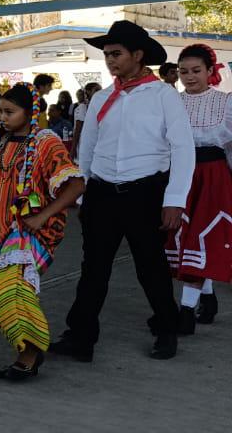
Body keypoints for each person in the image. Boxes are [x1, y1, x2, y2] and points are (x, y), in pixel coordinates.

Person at [51, 21, 194, 362]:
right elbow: (87, 148)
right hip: (102, 191)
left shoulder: (163, 96)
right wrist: (83, 192)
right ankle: (81, 337)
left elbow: (183, 148)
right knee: (93, 268)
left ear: (138, 55)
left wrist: (175, 200)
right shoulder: (102, 98)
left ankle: (166, 329)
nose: (110, 60)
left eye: (116, 53)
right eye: (107, 54)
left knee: (151, 265)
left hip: (145, 192)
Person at [0, 84, 84, 381]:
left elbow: (76, 184)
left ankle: (30, 353)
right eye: (1, 112)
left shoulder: (46, 141)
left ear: (29, 112)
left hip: (30, 232)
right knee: (15, 293)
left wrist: (42, 216)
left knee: (10, 293)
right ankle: (29, 353)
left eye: (10, 112)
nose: (3, 118)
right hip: (0, 231)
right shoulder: (0, 142)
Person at [167, 44, 232, 331]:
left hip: (214, 177)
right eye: (183, 72)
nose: (189, 77)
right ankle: (207, 297)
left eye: (196, 70)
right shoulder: (171, 102)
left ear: (209, 71)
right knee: (185, 239)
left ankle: (185, 312)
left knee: (201, 238)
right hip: (181, 175)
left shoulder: (226, 102)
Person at [70, 81, 101, 160]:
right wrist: (73, 149)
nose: (100, 92)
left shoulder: (97, 106)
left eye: (100, 90)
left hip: (97, 142)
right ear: (88, 92)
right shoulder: (83, 107)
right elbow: (78, 129)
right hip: (86, 142)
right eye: (96, 90)